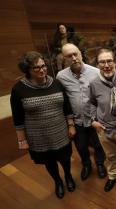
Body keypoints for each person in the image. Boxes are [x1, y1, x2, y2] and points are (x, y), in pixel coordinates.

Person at [10, 51, 76, 199]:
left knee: (65, 158)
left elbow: (67, 107)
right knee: (49, 161)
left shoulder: (57, 83)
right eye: (36, 68)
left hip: (60, 131)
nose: (42, 70)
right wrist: (22, 140)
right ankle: (58, 181)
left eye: (43, 66)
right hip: (38, 136)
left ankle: (68, 176)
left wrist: (71, 125)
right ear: (27, 70)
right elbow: (18, 118)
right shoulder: (18, 89)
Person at [57, 43, 106, 181]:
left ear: (80, 53)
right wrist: (70, 123)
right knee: (81, 146)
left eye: (75, 54)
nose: (73, 58)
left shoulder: (96, 72)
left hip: (95, 119)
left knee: (98, 144)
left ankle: (100, 164)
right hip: (77, 121)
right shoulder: (61, 76)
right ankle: (86, 165)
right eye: (69, 56)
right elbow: (63, 102)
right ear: (64, 59)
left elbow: (102, 96)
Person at [89, 49, 116, 192]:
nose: (106, 65)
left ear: (115, 63)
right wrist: (93, 120)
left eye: (109, 61)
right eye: (102, 62)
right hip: (103, 128)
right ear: (98, 65)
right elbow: (90, 103)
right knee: (110, 156)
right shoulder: (93, 83)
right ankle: (113, 176)